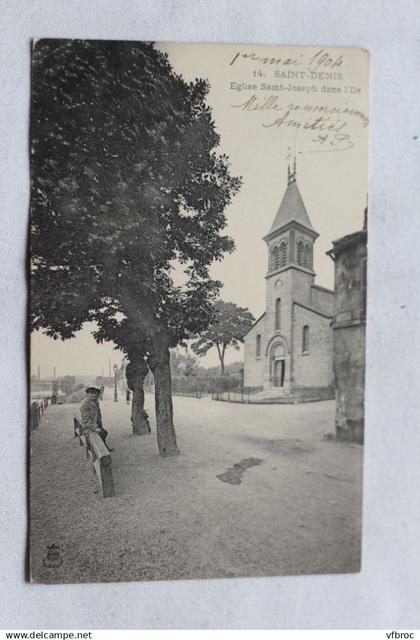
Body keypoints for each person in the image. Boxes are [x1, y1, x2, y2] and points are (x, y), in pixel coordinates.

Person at [80, 385, 113, 451]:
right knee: (100, 433)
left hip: (95, 424)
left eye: (95, 393)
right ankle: (99, 450)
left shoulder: (95, 402)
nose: (93, 395)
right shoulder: (85, 405)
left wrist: (98, 425)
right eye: (91, 393)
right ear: (87, 394)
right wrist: (95, 428)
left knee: (104, 432)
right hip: (88, 428)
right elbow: (86, 421)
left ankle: (103, 446)